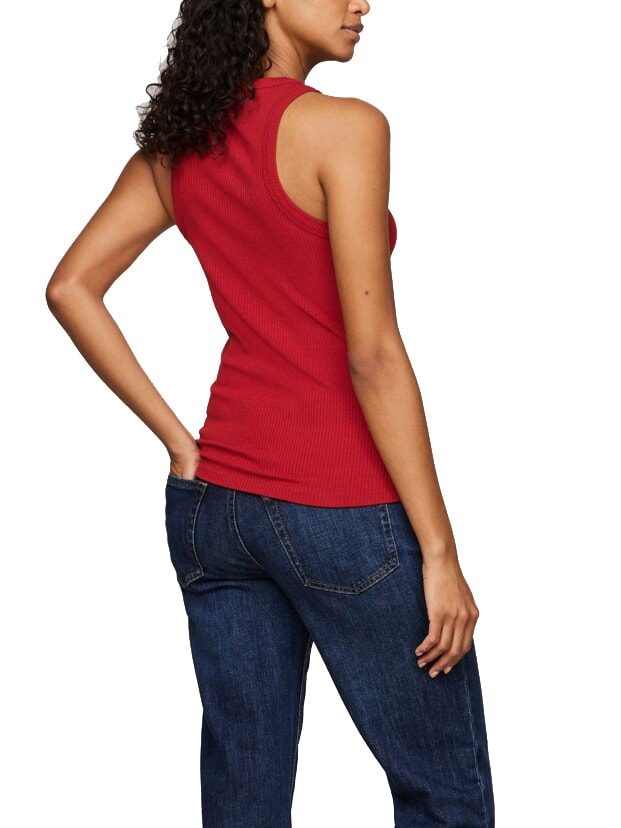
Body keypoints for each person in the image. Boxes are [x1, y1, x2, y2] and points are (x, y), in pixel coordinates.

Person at [46, 0, 495, 825]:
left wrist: (181, 443)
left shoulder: (180, 145)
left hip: (215, 507)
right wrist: (439, 551)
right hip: (340, 508)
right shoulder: (344, 128)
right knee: (443, 793)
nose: (362, 3)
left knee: (243, 800)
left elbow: (71, 287)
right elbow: (372, 356)